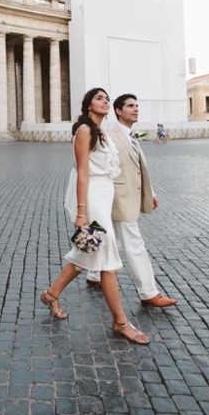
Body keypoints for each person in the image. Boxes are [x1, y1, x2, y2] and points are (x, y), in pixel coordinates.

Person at [40, 88, 150, 345]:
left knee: (85, 253)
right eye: (99, 98)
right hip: (92, 200)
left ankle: (52, 293)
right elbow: (82, 173)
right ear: (88, 104)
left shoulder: (101, 132)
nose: (105, 101)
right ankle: (120, 322)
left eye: (107, 98)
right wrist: (81, 212)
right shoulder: (85, 131)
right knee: (108, 261)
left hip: (104, 195)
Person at [85, 94, 178, 309]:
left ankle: (88, 274)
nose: (136, 109)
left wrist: (149, 192)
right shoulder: (110, 136)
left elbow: (137, 167)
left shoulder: (130, 136)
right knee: (134, 244)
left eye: (137, 105)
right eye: (130, 106)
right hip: (116, 198)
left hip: (122, 198)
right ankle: (148, 292)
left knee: (100, 240)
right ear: (119, 111)